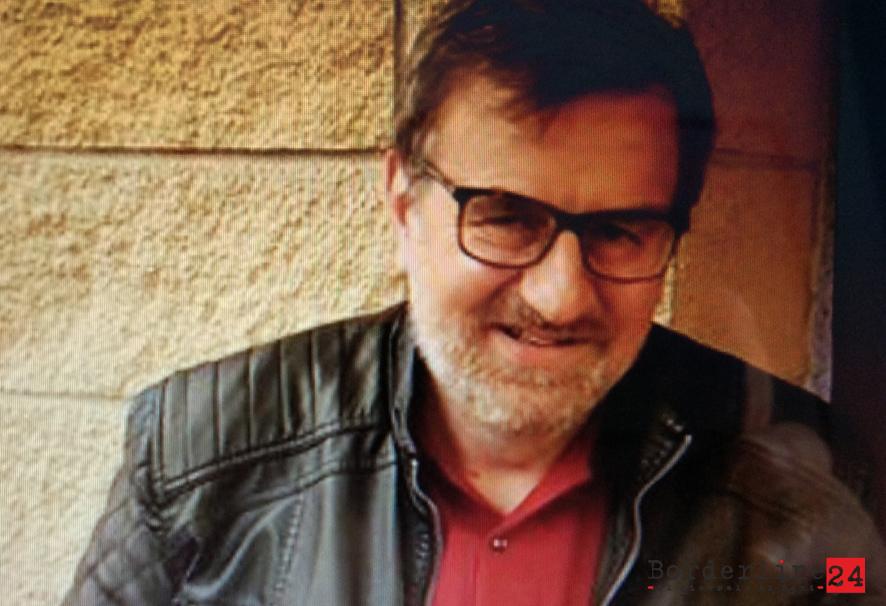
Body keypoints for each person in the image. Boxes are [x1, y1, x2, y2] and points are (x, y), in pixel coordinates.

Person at [64, 1, 884, 604]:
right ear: (402, 202)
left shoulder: (815, 488)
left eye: (621, 231)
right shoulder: (196, 457)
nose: (560, 297)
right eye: (506, 217)